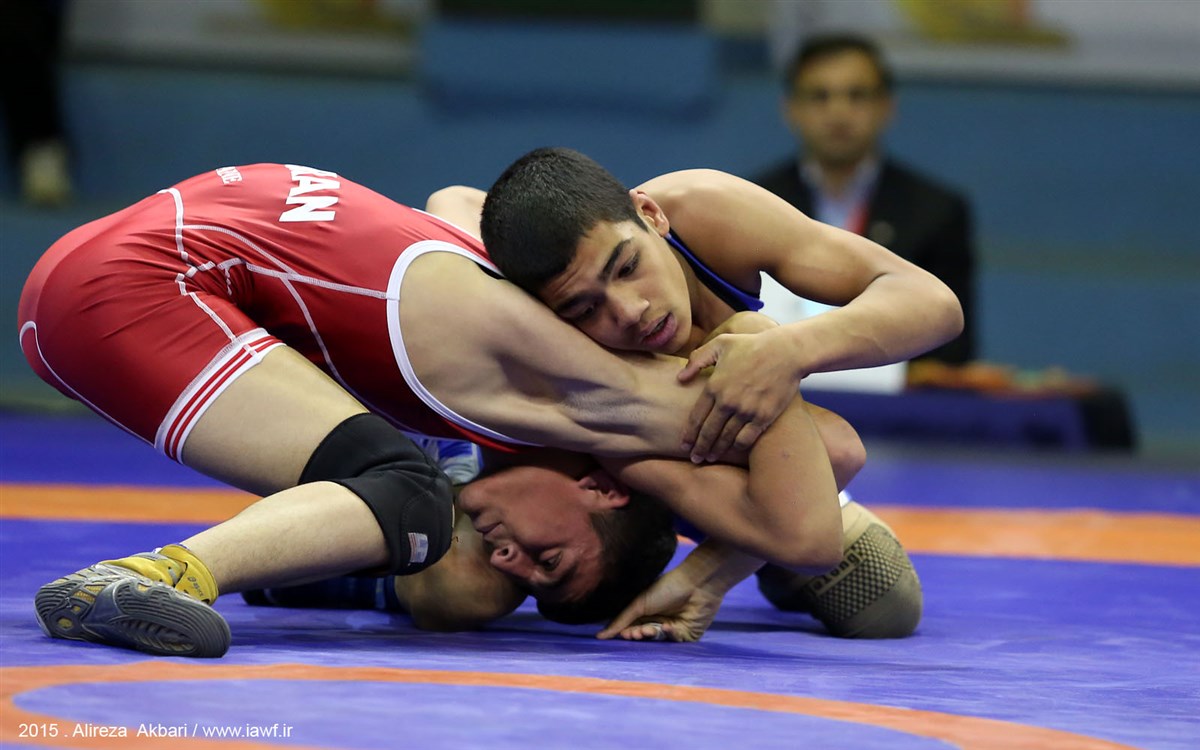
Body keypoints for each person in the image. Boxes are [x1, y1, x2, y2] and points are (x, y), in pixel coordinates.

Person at [19, 162, 845, 658]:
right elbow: (821, 499)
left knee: (420, 517)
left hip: (116, 263)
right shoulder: (583, 383)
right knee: (407, 497)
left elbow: (457, 193)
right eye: (549, 559)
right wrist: (766, 350)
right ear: (604, 486)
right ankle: (145, 578)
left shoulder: (485, 252)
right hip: (137, 286)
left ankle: (295, 573)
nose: (516, 560)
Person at [427, 145, 962, 639]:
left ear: (651, 215)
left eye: (628, 267)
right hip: (618, 454)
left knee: (884, 601)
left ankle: (751, 543)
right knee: (464, 590)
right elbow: (451, 201)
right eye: (586, 309)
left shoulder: (703, 212)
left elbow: (934, 304)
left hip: (711, 456)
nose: (631, 312)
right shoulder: (547, 324)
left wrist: (788, 351)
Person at [751, 33, 976, 365]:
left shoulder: (936, 212)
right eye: (820, 96)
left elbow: (951, 345)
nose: (838, 112)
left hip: (894, 391)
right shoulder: (754, 204)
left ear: (887, 107)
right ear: (790, 109)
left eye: (856, 96)